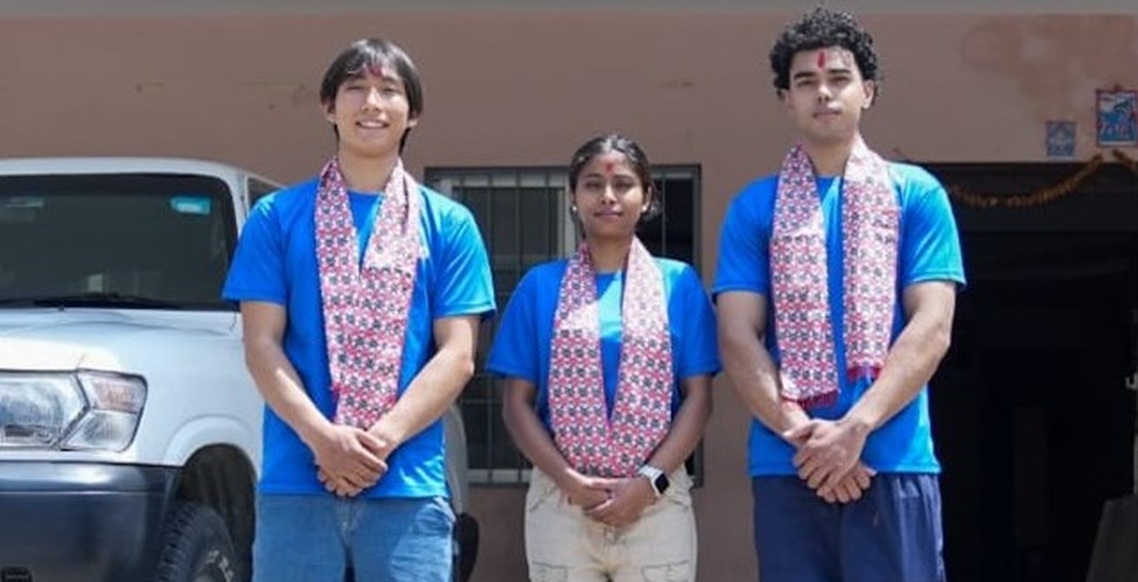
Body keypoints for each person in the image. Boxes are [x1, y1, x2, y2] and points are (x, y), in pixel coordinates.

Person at [222, 37, 495, 582]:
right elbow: (260, 344)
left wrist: (377, 443)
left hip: (408, 485)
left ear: (412, 114)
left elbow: (458, 355)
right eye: (355, 89)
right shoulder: (276, 217)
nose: (371, 103)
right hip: (297, 480)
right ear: (329, 107)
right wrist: (324, 440)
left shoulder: (449, 224)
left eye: (388, 90)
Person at [714, 8, 966, 582]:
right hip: (790, 463)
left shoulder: (916, 194)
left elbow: (932, 326)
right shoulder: (754, 207)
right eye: (806, 82)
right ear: (786, 99)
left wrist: (856, 429)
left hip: (892, 458)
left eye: (838, 79)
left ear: (867, 91)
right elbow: (737, 335)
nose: (823, 93)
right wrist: (808, 438)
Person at [488, 134, 719, 582]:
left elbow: (699, 398)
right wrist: (568, 480)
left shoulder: (678, 284)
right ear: (573, 197)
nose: (608, 196)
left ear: (646, 197)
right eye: (593, 184)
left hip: (656, 498)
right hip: (562, 500)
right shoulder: (540, 286)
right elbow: (516, 404)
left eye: (623, 184)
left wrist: (649, 481)